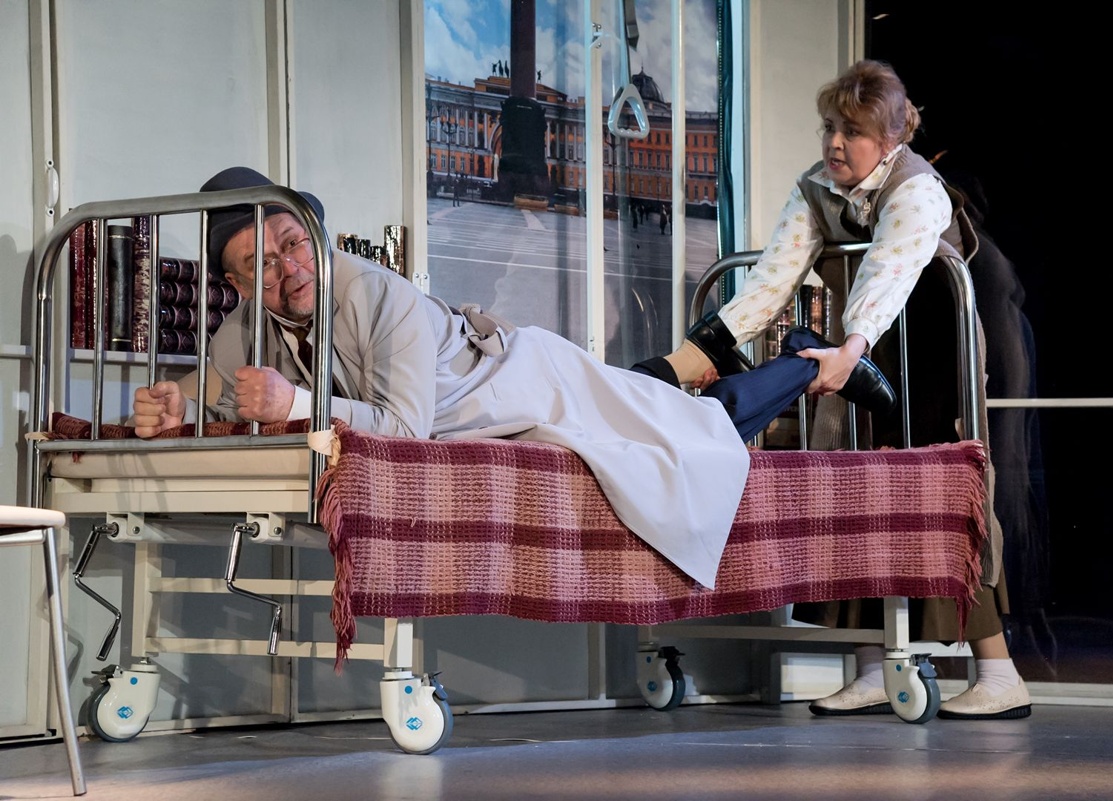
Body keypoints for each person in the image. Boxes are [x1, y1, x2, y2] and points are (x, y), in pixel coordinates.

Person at [130, 167, 888, 591]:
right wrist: (175, 406)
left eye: (295, 244)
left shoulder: (375, 294)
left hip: (529, 379)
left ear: (317, 239)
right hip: (502, 411)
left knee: (697, 431)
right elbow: (214, 388)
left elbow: (405, 431)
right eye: (259, 263)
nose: (288, 268)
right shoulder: (245, 326)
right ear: (238, 283)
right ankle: (791, 359)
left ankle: (809, 360)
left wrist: (295, 402)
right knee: (667, 411)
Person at [633, 60, 1031, 720]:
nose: (835, 143)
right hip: (860, 349)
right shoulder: (816, 187)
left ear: (891, 137)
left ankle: (999, 670)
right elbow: (772, 278)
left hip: (933, 350)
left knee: (945, 492)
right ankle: (872, 666)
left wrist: (851, 348)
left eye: (854, 131)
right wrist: (689, 358)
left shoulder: (917, 189)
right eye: (829, 127)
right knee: (854, 488)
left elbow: (886, 274)